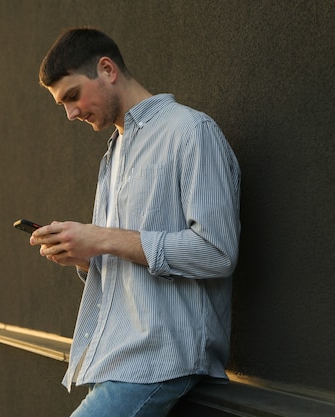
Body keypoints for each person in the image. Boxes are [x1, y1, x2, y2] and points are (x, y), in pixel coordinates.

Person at [30, 28, 241, 416]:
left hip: (160, 362)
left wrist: (103, 238)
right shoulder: (113, 155)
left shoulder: (191, 132)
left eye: (73, 96)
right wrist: (83, 254)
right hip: (113, 360)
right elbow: (128, 257)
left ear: (107, 69)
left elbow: (217, 252)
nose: (71, 113)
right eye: (62, 104)